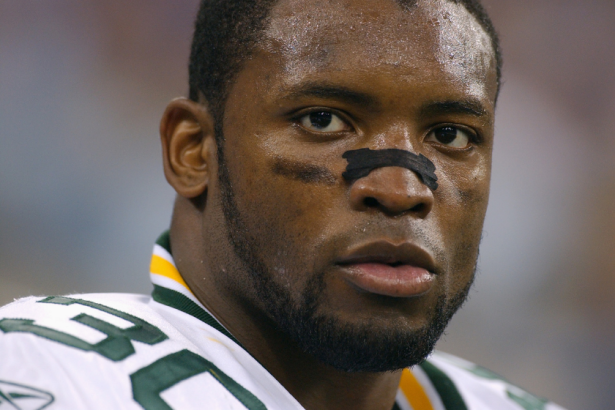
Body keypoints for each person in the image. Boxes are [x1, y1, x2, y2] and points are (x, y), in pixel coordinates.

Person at [0, 0, 566, 409]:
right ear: (192, 150)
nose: (401, 190)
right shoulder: (42, 374)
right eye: (323, 120)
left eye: (450, 135)